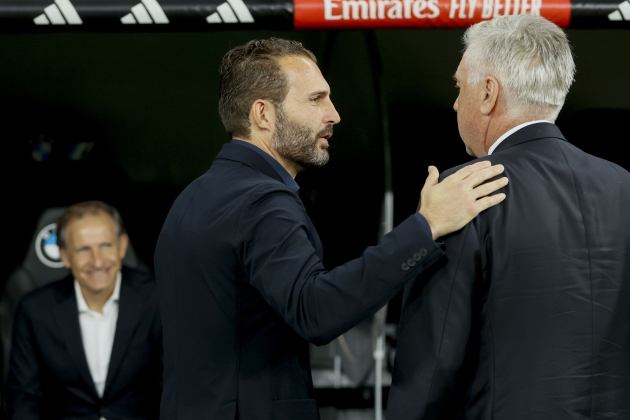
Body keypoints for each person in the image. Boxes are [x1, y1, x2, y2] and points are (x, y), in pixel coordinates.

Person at [154, 38, 508, 420]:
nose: (335, 114)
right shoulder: (262, 203)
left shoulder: (192, 199)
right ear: (263, 115)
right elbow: (316, 310)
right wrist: (426, 226)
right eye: (315, 99)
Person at [387, 14, 630, 420]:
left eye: (458, 86)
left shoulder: (466, 191)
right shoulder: (623, 185)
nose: (454, 101)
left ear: (487, 93)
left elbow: (433, 360)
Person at [7, 201, 162, 420]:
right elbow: (24, 398)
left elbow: (176, 387)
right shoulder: (35, 311)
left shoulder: (157, 299)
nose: (97, 261)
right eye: (83, 249)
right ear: (65, 256)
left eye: (106, 246)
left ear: (122, 245)